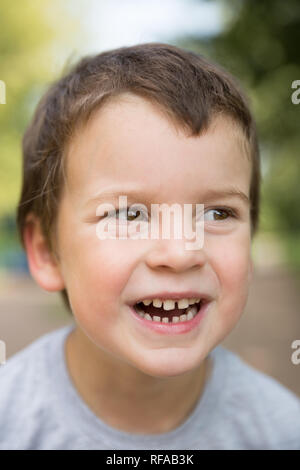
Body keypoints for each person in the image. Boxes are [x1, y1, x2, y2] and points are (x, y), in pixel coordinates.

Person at [1, 42, 299, 450]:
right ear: (46, 251)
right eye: (127, 215)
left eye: (216, 214)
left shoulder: (282, 430)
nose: (180, 253)